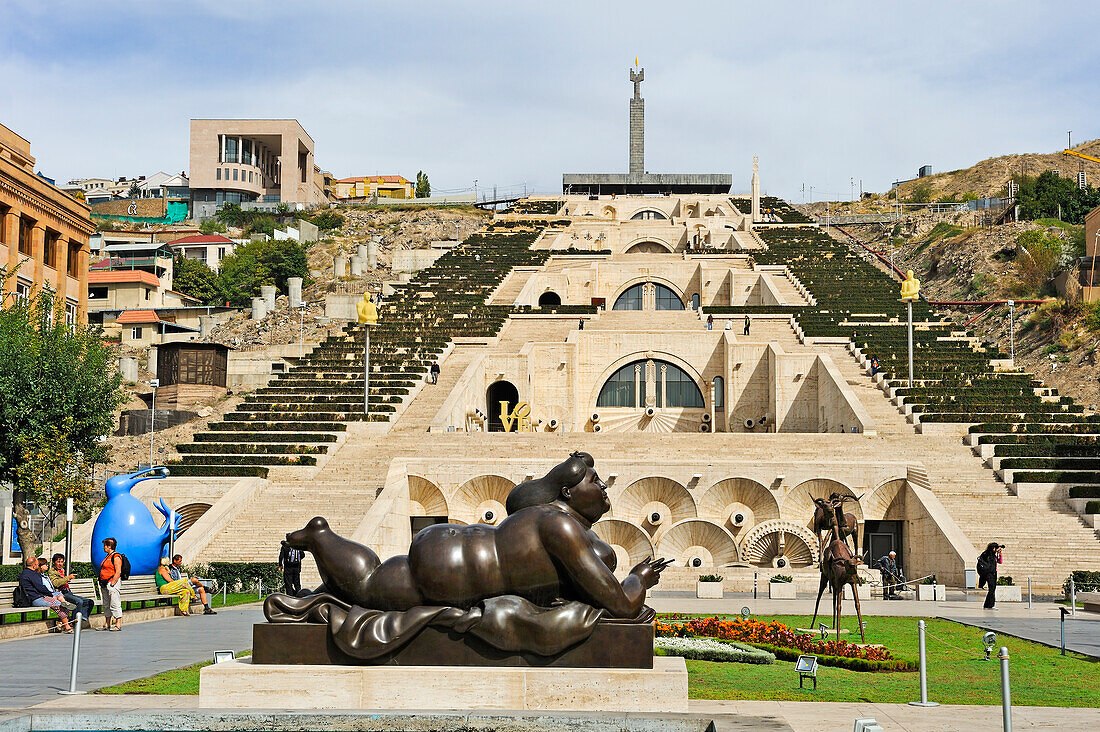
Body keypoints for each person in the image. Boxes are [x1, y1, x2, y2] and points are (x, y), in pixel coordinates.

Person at [19, 556, 73, 632]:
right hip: (36, 599)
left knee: (59, 603)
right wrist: (52, 595)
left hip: (38, 597)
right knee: (57, 604)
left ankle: (64, 622)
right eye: (37, 564)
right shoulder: (33, 575)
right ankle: (67, 626)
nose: (38, 566)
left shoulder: (23, 573)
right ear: (34, 565)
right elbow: (41, 588)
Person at [47, 554, 94, 623]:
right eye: (58, 562)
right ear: (54, 562)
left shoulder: (62, 570)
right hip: (61, 594)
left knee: (89, 602)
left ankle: (82, 618)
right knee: (79, 602)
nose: (60, 564)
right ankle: (73, 621)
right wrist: (68, 578)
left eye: (62, 562)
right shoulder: (52, 572)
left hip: (68, 592)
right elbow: (55, 583)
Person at [98, 537, 124, 631]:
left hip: (112, 583)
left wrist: (112, 583)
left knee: (114, 603)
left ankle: (118, 623)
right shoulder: (107, 556)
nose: (103, 547)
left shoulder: (116, 557)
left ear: (109, 546)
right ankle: (107, 622)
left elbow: (118, 571)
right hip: (104, 583)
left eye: (104, 545)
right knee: (106, 604)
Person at [977, 542, 1004, 610]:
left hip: (993, 573)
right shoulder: (986, 554)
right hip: (989, 573)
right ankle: (990, 605)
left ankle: (987, 605)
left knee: (992, 589)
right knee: (992, 589)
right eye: (996, 548)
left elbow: (1000, 562)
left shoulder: (993, 555)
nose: (997, 549)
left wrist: (999, 554)